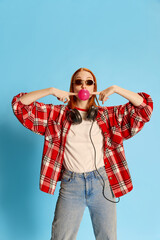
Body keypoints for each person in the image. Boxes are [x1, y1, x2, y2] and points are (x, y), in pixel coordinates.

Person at [12, 67, 153, 240]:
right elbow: (20, 106)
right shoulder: (58, 115)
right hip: (71, 184)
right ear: (73, 87)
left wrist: (116, 88)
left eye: (89, 82)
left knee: (108, 237)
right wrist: (50, 90)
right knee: (60, 237)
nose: (84, 86)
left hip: (102, 183)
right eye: (78, 82)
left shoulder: (107, 116)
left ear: (94, 87)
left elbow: (144, 108)